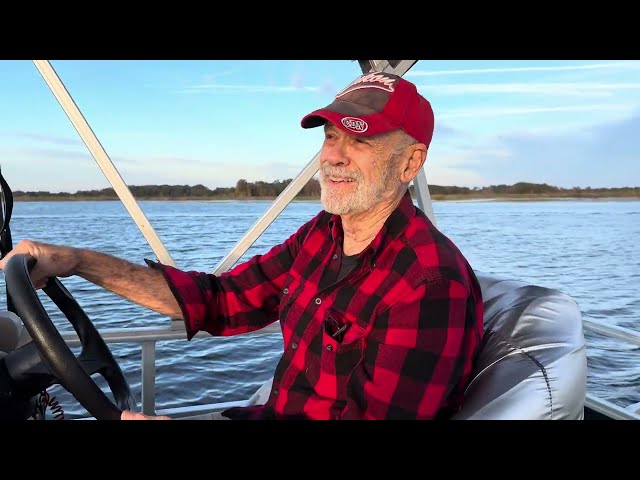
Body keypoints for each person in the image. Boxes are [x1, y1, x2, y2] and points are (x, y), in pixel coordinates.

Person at [0, 72, 484, 420]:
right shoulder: (324, 234)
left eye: (360, 143)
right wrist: (81, 262)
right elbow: (222, 300)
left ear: (409, 163)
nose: (333, 156)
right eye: (332, 136)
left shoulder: (429, 284)